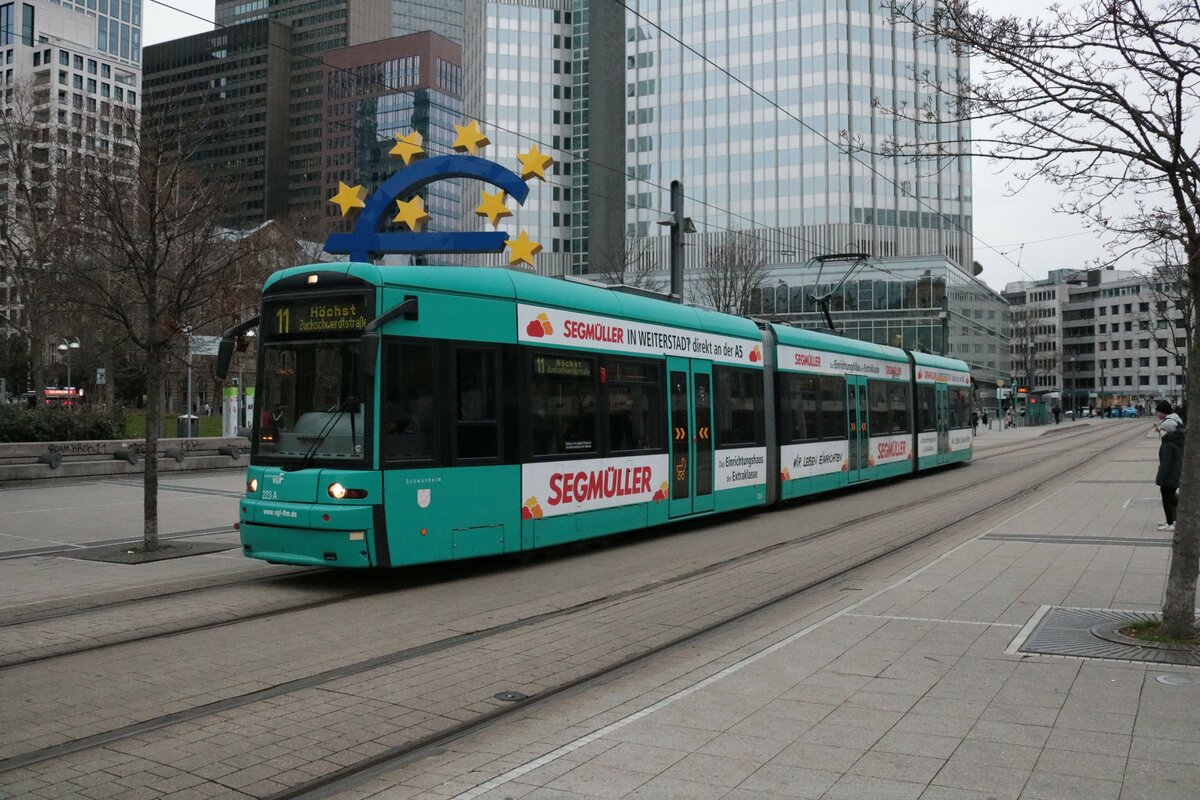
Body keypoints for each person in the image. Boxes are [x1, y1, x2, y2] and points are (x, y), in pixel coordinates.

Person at [1153, 400, 1185, 532]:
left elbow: (1165, 463)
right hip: (1174, 473)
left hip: (1170, 475)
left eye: (1162, 430)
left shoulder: (1168, 444)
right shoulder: (1173, 440)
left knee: (1167, 497)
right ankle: (1172, 520)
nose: (1160, 431)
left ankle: (1171, 523)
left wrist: (1160, 478)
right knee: (1170, 497)